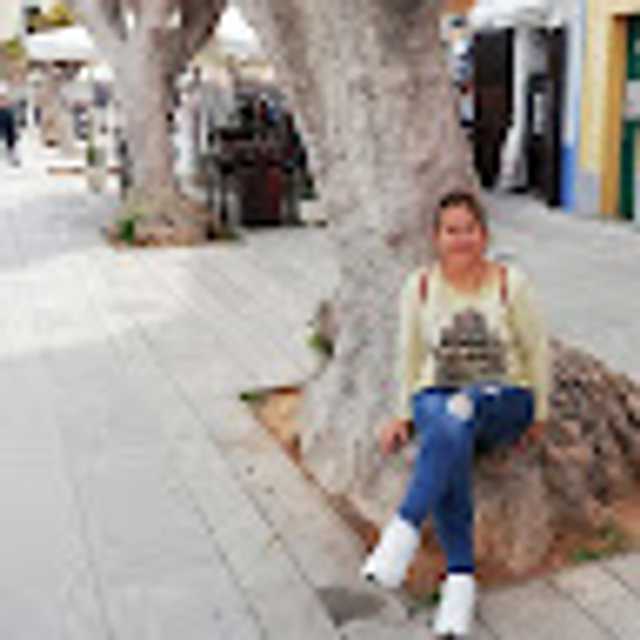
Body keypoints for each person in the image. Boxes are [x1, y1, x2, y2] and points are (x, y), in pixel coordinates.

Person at [361, 190, 550, 638]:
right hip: (438, 395)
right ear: (436, 237)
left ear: (483, 235)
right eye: (451, 231)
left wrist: (540, 412)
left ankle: (403, 529)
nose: (461, 239)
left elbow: (536, 351)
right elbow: (408, 355)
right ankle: (459, 583)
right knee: (450, 429)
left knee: (459, 414)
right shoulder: (420, 287)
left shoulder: (510, 284)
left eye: (469, 229)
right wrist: (401, 414)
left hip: (504, 398)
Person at [0, 85, 19, 166]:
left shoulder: (9, 112)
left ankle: (12, 154)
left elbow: (11, 128)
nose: (1, 102)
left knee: (11, 134)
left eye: (3, 99)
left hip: (7, 132)